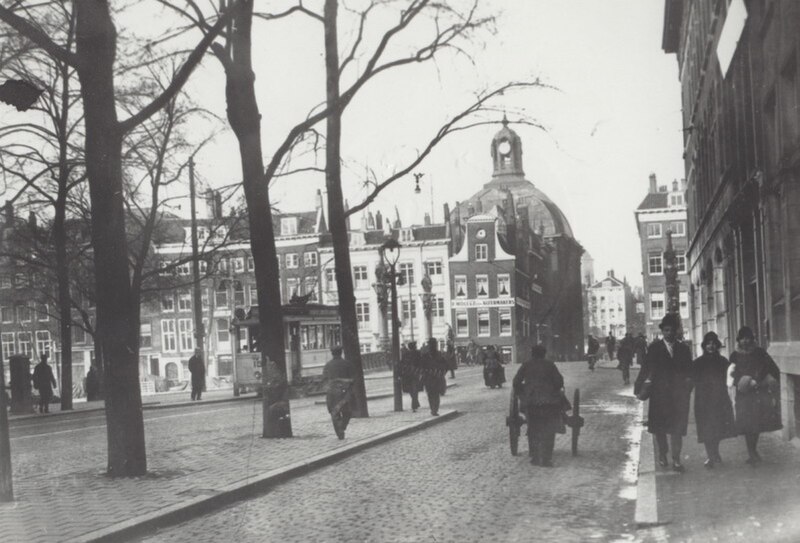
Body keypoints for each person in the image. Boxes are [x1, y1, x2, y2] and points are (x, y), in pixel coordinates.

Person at [634, 313, 693, 472]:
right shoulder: (654, 348)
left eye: (672, 330)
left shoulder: (683, 349)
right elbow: (646, 368)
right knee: (660, 428)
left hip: (678, 396)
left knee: (677, 429)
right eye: (666, 330)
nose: (669, 333)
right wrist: (639, 386)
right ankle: (662, 453)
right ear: (662, 331)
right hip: (660, 395)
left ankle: (676, 459)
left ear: (676, 331)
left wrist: (688, 386)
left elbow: (690, 371)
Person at [729, 326, 781, 465]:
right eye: (742, 339)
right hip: (744, 394)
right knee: (747, 424)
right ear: (738, 340)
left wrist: (759, 380)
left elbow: (772, 368)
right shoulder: (734, 355)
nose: (745, 341)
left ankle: (753, 451)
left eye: (748, 338)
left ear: (752, 339)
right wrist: (742, 381)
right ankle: (752, 453)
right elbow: (731, 374)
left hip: (758, 393)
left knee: (756, 423)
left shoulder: (760, 353)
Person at [513, 344, 565, 467]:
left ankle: (535, 457)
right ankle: (546, 459)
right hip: (549, 403)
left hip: (532, 402)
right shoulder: (550, 365)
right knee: (549, 430)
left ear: (532, 353)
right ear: (544, 353)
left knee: (533, 429)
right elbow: (559, 382)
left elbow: (516, 382)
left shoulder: (526, 365)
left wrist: (523, 393)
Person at [693, 331, 735, 468]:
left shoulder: (723, 361)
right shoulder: (698, 363)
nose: (710, 346)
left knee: (717, 428)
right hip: (703, 401)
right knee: (706, 429)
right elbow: (691, 379)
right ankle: (711, 456)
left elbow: (732, 374)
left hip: (719, 399)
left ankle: (714, 453)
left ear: (716, 345)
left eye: (713, 343)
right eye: (708, 344)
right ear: (704, 346)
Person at [323, 345, 356, 439]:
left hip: (332, 392)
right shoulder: (347, 364)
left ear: (332, 353)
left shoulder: (328, 365)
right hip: (345, 393)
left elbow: (324, 379)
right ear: (341, 352)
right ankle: (342, 427)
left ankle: (339, 431)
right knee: (347, 412)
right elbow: (353, 378)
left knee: (334, 412)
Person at [421, 338, 448, 416]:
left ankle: (434, 409)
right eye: (430, 344)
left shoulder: (439, 355)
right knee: (430, 394)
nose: (431, 346)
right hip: (429, 378)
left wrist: (441, 373)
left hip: (437, 378)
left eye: (433, 344)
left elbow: (445, 365)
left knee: (435, 394)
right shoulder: (425, 355)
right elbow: (422, 366)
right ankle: (433, 409)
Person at [400, 341, 422, 412]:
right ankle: (414, 403)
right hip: (415, 373)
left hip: (407, 374)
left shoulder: (405, 354)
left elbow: (402, 363)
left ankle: (414, 402)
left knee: (410, 389)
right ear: (414, 347)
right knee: (415, 388)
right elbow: (421, 363)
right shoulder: (417, 353)